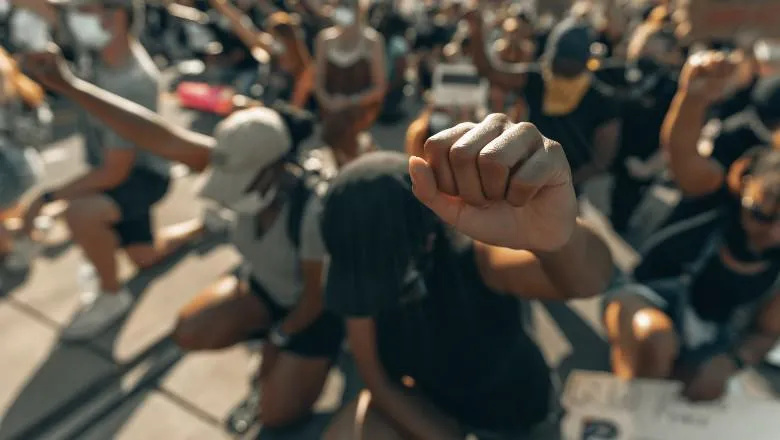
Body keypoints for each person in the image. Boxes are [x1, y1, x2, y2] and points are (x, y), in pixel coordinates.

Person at [24, 47, 344, 427]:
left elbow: (313, 301)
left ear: (276, 166)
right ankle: (265, 343)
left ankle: (309, 360)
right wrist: (69, 85)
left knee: (274, 416)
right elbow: (152, 134)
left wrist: (278, 340)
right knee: (189, 330)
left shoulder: (313, 210)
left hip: (311, 313)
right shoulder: (238, 156)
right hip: (264, 288)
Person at [322, 115, 615, 439]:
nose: (371, 290)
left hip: (517, 419)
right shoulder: (355, 277)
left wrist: (558, 239)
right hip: (439, 412)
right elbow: (377, 381)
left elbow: (589, 280)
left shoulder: (476, 261)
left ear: (427, 240)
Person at [603, 52, 780, 402]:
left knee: (692, 393)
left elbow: (766, 331)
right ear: (743, 184)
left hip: (710, 338)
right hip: (644, 301)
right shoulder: (716, 196)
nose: (773, 232)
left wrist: (731, 362)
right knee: (653, 345)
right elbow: (681, 153)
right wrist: (693, 96)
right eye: (761, 214)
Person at [21, 0, 202, 340]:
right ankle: (201, 226)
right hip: (115, 168)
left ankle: (110, 293)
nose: (73, 20)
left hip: (141, 176)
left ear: (114, 17)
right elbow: (46, 10)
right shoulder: (100, 48)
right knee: (145, 257)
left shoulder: (132, 80)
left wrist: (45, 199)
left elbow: (115, 172)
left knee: (80, 213)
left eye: (82, 11)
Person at [466, 8, 620, 189]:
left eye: (570, 62)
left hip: (567, 186)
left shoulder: (604, 101)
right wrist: (476, 32)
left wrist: (561, 183)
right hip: (524, 175)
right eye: (560, 61)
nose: (563, 67)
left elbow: (601, 160)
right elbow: (490, 72)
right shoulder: (537, 79)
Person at [608, 19, 681, 233]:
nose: (647, 54)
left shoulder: (672, 87)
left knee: (621, 213)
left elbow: (675, 133)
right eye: (645, 46)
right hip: (610, 155)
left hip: (641, 161)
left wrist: (650, 166)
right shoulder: (620, 72)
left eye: (656, 51)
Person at [314, 0, 387, 165]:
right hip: (331, 111)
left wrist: (349, 102)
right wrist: (329, 103)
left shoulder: (373, 40)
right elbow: (318, 83)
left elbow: (379, 88)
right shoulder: (324, 39)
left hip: (360, 111)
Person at [208, 0, 316, 109]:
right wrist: (221, 5)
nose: (273, 41)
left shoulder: (304, 71)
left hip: (283, 117)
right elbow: (242, 26)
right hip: (263, 107)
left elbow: (295, 107)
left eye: (276, 36)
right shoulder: (273, 56)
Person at [0, 45, 47, 267]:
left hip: (13, 168)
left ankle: (18, 246)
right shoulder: (20, 84)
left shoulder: (9, 90)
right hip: (23, 163)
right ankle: (29, 228)